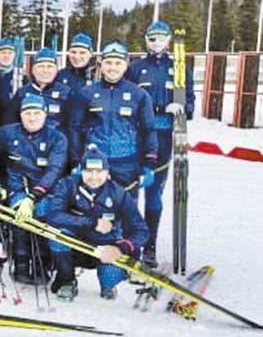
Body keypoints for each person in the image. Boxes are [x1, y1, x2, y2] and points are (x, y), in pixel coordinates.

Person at [127, 20, 195, 265]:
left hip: (165, 137)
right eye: (152, 38)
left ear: (169, 40)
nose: (156, 42)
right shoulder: (136, 68)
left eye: (161, 38)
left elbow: (190, 101)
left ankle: (150, 247)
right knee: (132, 192)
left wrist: (183, 107)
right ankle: (132, 243)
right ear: (146, 40)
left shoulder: (177, 67)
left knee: (154, 193)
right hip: (138, 137)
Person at [46, 144, 148, 301]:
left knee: (111, 275)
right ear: (81, 171)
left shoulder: (119, 193)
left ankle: (108, 284)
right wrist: (91, 222)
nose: (94, 177)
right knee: (57, 237)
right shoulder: (67, 185)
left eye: (99, 172)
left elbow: (141, 230)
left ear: (107, 172)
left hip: (104, 248)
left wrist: (121, 248)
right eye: (89, 171)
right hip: (76, 245)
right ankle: (67, 280)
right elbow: (53, 216)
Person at [0, 93, 68, 283]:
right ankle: (21, 262)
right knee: (20, 217)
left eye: (37, 113)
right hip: (18, 189)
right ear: (20, 115)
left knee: (42, 213)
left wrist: (33, 197)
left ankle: (42, 263)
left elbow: (54, 170)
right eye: (27, 113)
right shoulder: (7, 133)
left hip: (46, 191)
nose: (32, 118)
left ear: (45, 115)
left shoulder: (57, 138)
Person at [68, 40, 157, 189]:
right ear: (101, 64)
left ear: (126, 64)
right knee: (93, 208)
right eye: (108, 63)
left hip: (126, 162)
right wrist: (76, 161)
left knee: (126, 209)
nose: (112, 68)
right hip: (94, 162)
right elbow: (75, 128)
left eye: (117, 63)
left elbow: (148, 130)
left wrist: (149, 165)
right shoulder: (86, 93)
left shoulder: (139, 95)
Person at [11, 48, 72, 139]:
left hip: (55, 145)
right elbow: (11, 123)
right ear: (33, 69)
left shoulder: (67, 93)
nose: (45, 70)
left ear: (56, 70)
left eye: (49, 66)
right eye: (41, 66)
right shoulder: (22, 93)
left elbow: (73, 127)